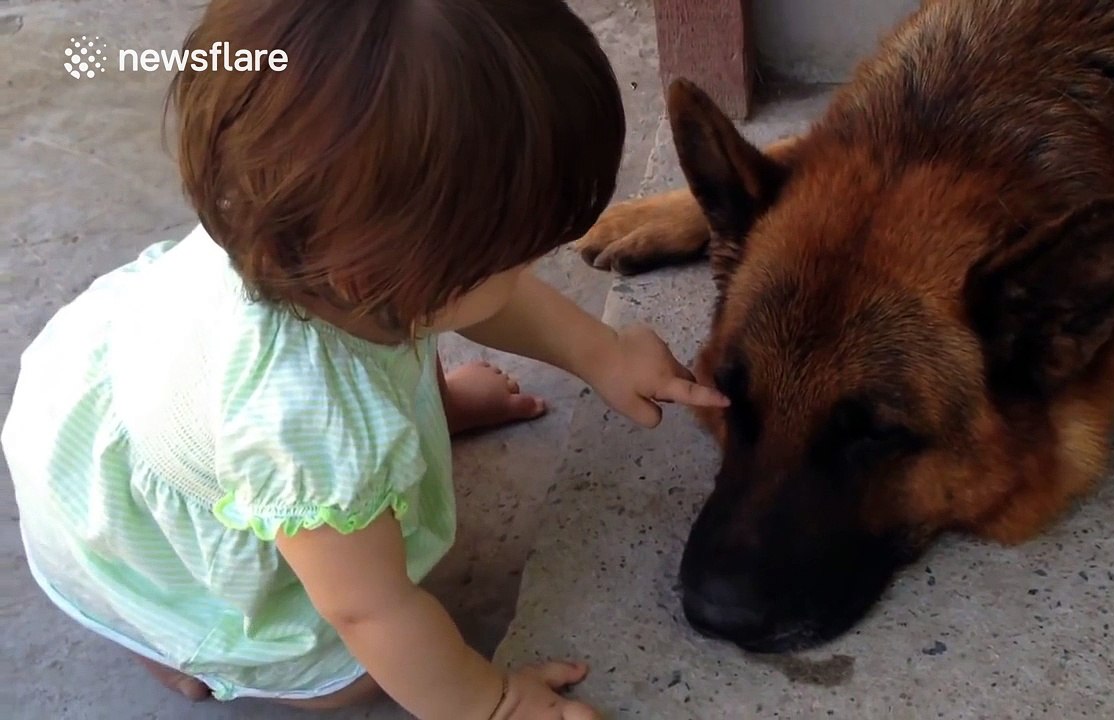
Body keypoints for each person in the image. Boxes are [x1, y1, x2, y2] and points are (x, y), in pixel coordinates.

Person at [0, 1, 727, 718]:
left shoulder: (326, 239)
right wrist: (491, 701)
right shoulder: (302, 426)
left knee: (404, 357)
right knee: (351, 676)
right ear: (383, 275)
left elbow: (479, 301)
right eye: (512, 259)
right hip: (134, 540)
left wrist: (600, 353)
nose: (527, 271)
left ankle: (420, 416)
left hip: (127, 382)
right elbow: (368, 610)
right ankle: (166, 639)